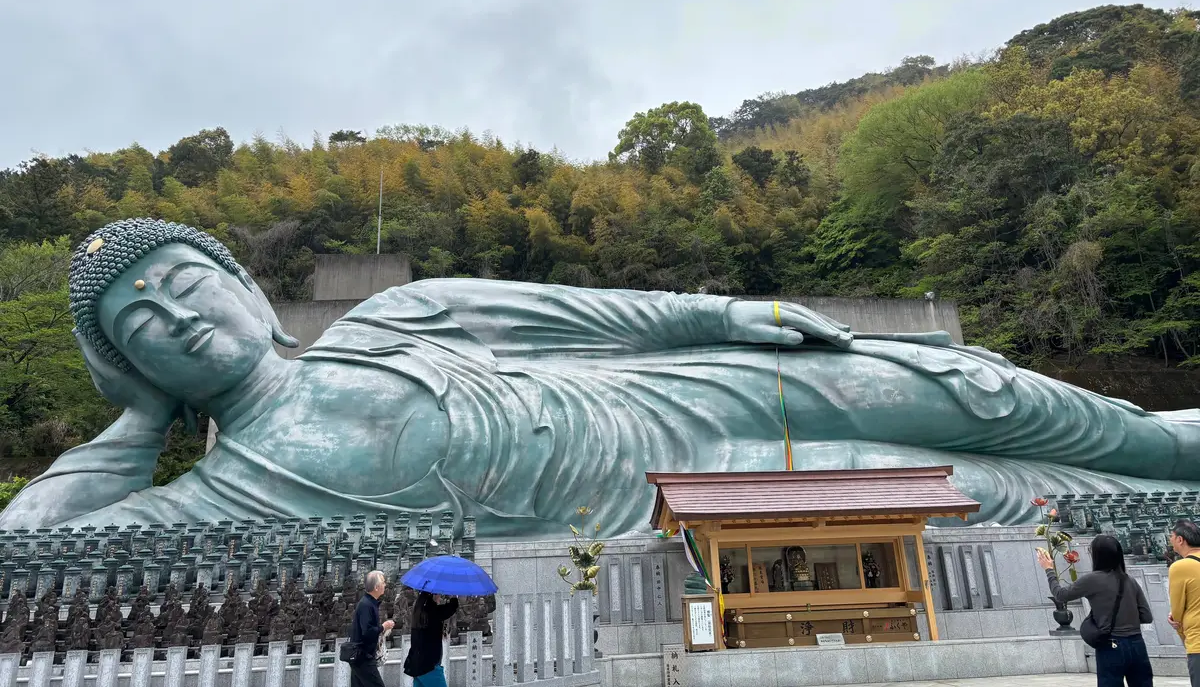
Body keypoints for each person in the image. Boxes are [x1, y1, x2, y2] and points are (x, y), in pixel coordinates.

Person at [5, 217, 1200, 536]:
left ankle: (1181, 438)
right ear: (135, 365)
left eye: (185, 284)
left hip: (681, 393)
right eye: (141, 325)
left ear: (249, 288)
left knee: (983, 392)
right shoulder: (232, 491)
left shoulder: (398, 315)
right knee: (979, 494)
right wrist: (135, 425)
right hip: (667, 493)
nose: (178, 318)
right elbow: (36, 547)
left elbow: (593, 313)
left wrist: (723, 312)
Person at [1037, 536, 1153, 687]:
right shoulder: (1129, 580)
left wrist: (1049, 570)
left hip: (1111, 646)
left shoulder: (1092, 580)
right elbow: (1147, 616)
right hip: (1137, 645)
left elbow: (1060, 595)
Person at [348, 570, 395, 687]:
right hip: (363, 657)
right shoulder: (366, 605)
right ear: (376, 587)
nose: (385, 585)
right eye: (383, 583)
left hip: (361, 656)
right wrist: (383, 627)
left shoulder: (369, 603)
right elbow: (367, 631)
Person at [403, 591, 459, 687]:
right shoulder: (432, 611)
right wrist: (454, 595)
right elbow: (451, 608)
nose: (439, 597)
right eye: (438, 594)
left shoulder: (418, 611)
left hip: (416, 665)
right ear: (433, 596)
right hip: (429, 667)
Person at [1168, 520, 1200, 685]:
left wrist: (1185, 639)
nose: (1170, 540)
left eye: (1172, 536)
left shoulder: (1180, 567)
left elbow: (1177, 613)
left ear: (1180, 540)